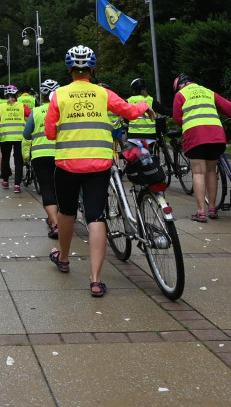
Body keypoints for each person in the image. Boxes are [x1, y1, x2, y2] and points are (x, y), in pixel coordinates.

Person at [46, 46, 150, 297]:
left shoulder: (58, 96)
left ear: (69, 69)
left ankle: (65, 258)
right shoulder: (103, 94)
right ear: (92, 69)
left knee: (67, 212)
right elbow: (131, 112)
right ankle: (95, 279)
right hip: (99, 164)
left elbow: (50, 133)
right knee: (96, 216)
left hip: (67, 164)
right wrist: (145, 103)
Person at [173, 74, 231, 222]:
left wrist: (188, 121)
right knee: (211, 172)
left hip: (196, 136)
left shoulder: (180, 95)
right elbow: (228, 107)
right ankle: (212, 209)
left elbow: (177, 118)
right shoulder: (208, 91)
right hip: (216, 135)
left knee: (198, 173)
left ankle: (201, 212)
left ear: (179, 86)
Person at [24, 79, 60, 237]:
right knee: (61, 189)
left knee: (46, 189)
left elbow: (26, 134)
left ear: (42, 96)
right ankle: (61, 219)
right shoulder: (63, 110)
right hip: (61, 155)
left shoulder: (36, 112)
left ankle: (55, 224)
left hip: (40, 156)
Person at [0, 85, 31, 193]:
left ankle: (6, 181)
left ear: (6, 96)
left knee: (5, 159)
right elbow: (31, 116)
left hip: (6, 137)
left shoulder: (1, 107)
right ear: (17, 95)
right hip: (19, 137)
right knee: (18, 162)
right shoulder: (22, 106)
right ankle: (17, 185)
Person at [126, 78, 158, 147]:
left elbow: (124, 116)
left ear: (134, 90)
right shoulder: (150, 100)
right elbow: (164, 110)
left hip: (133, 135)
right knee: (150, 155)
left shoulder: (129, 101)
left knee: (133, 155)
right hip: (149, 135)